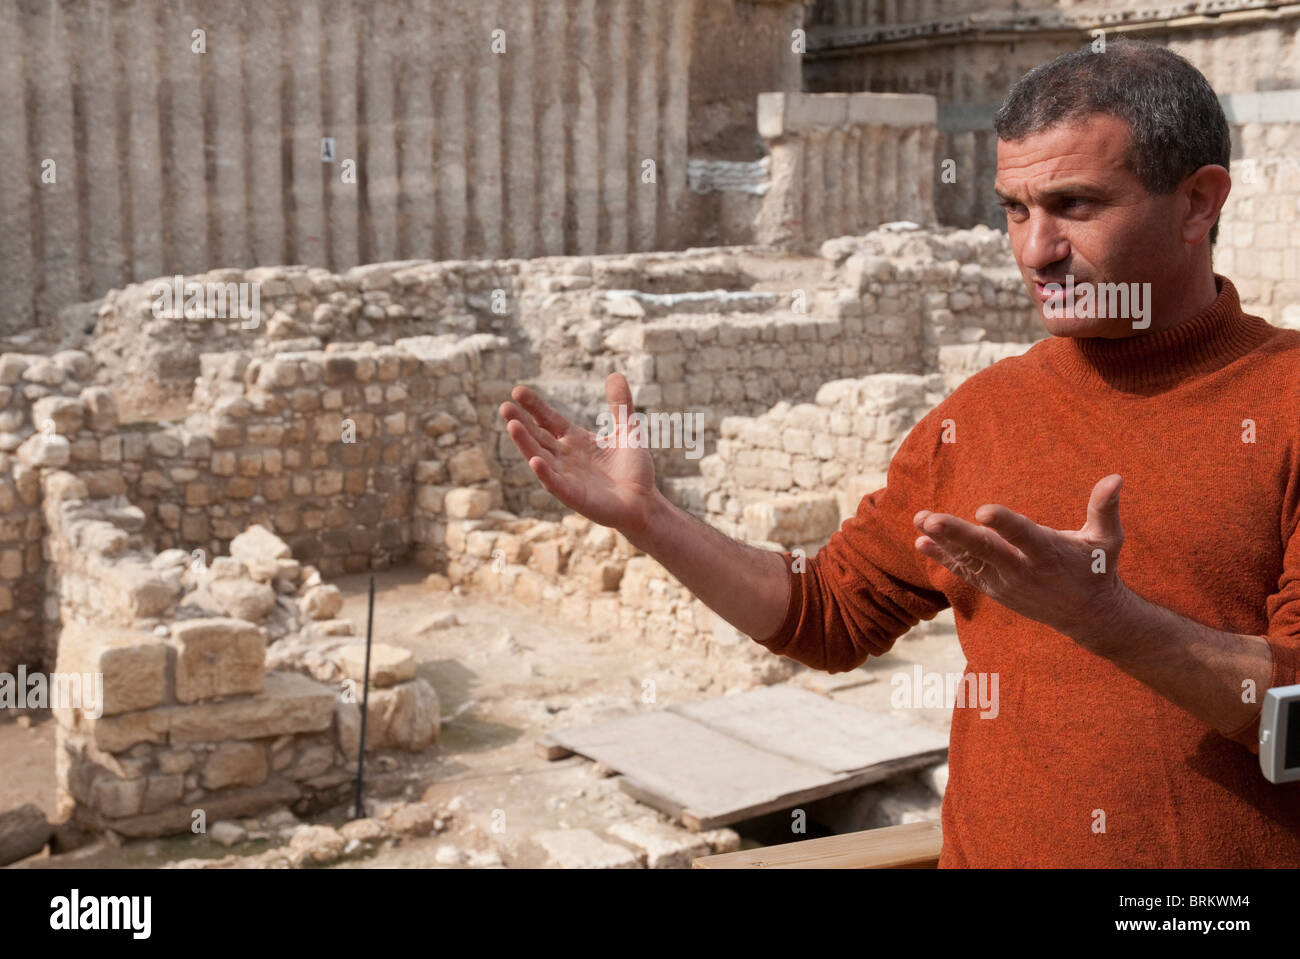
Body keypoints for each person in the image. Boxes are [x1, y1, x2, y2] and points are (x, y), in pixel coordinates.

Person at [499, 39, 1300, 867]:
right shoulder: (982, 414)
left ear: (1199, 202)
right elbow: (829, 614)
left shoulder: (1288, 403)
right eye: (1015, 210)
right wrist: (654, 519)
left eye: (1075, 205)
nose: (1035, 251)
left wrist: (1108, 619)